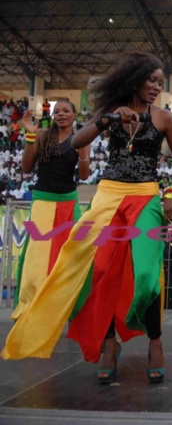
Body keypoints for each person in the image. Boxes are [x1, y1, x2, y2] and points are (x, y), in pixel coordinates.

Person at [2, 52, 172, 387]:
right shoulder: (110, 113)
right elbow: (75, 141)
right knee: (98, 270)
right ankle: (108, 343)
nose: (157, 88)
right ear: (135, 80)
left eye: (161, 83)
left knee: (147, 273)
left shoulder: (164, 118)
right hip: (108, 195)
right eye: (152, 81)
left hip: (145, 196)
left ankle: (155, 341)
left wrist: (171, 193)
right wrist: (108, 120)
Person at [10, 102, 90, 321]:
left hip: (68, 202)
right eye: (57, 111)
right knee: (37, 258)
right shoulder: (43, 135)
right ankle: (31, 305)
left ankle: (68, 308)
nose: (61, 114)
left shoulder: (81, 138)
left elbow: (83, 176)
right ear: (52, 116)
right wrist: (30, 135)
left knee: (68, 257)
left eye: (65, 111)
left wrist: (83, 149)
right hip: (43, 200)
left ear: (75, 114)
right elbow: (26, 168)